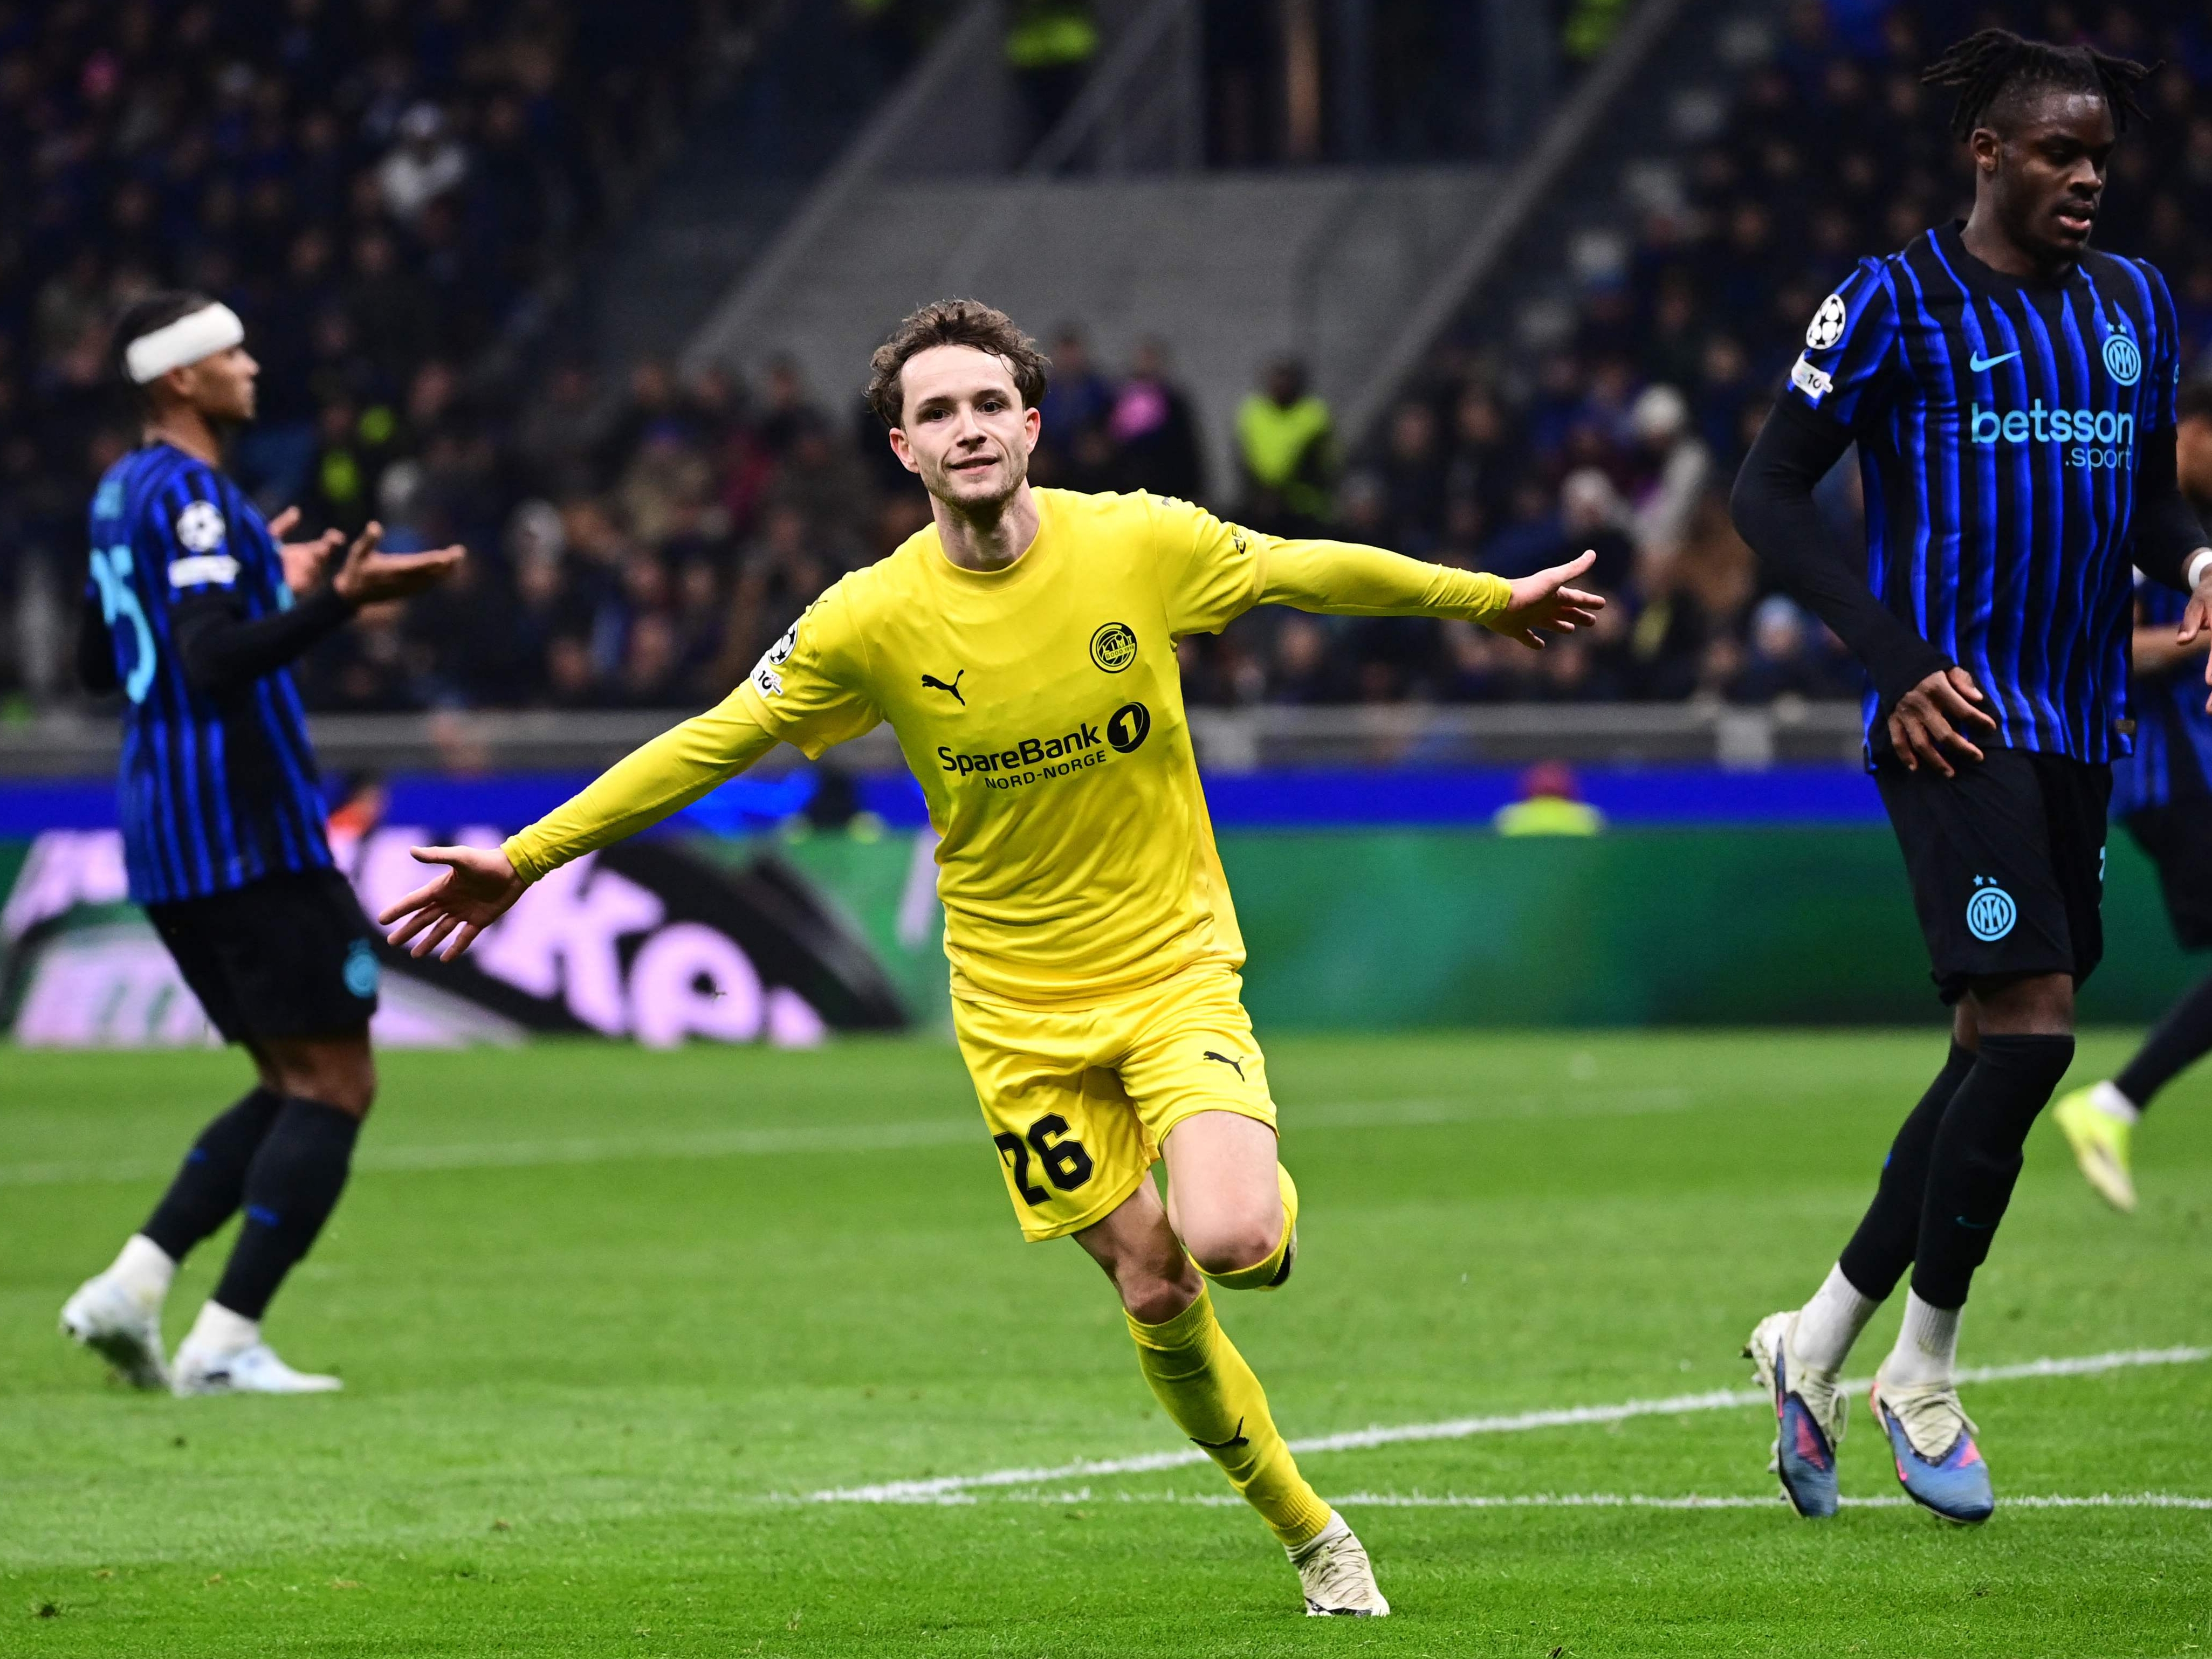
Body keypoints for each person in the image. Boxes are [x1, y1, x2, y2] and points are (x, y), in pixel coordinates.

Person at [376, 299, 1600, 1615]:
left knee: (1234, 1239)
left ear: (1027, 424)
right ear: (902, 451)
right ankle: (1314, 1538)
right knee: (1152, 1279)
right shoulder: (867, 619)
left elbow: (1306, 567)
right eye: (932, 414)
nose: (962, 430)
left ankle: (1238, 1191)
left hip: (1165, 962)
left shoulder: (1135, 541)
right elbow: (714, 738)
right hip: (1015, 1012)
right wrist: (531, 854)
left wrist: (1484, 601)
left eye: (981, 406)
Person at [1727, 31, 2212, 1526]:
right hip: (1951, 724)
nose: (2083, 178)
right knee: (2033, 1032)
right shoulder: (1890, 303)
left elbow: (2142, 511)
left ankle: (1807, 1342)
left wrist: (2192, 570)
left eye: (2099, 158)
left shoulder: (2132, 308)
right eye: (2056, 153)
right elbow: (1767, 491)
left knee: (1985, 1048)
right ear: (1985, 153)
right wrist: (1889, 660)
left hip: (2079, 727)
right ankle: (1916, 1369)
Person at [59, 292, 463, 1395]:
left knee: (292, 1076)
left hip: (168, 834)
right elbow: (207, 662)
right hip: (246, 830)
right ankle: (225, 1340)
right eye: (226, 350)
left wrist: (259, 581)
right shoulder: (193, 497)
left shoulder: (121, 492)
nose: (249, 363)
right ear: (177, 379)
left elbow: (101, 664)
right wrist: (334, 602)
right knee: (337, 1081)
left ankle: (134, 1289)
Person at [2051, 378, 2212, 1210]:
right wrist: (2198, 638)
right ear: (2186, 431)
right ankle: (2110, 1104)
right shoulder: (2125, 520)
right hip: (2167, 778)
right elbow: (2103, 649)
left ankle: (2112, 1105)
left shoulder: (2194, 536)